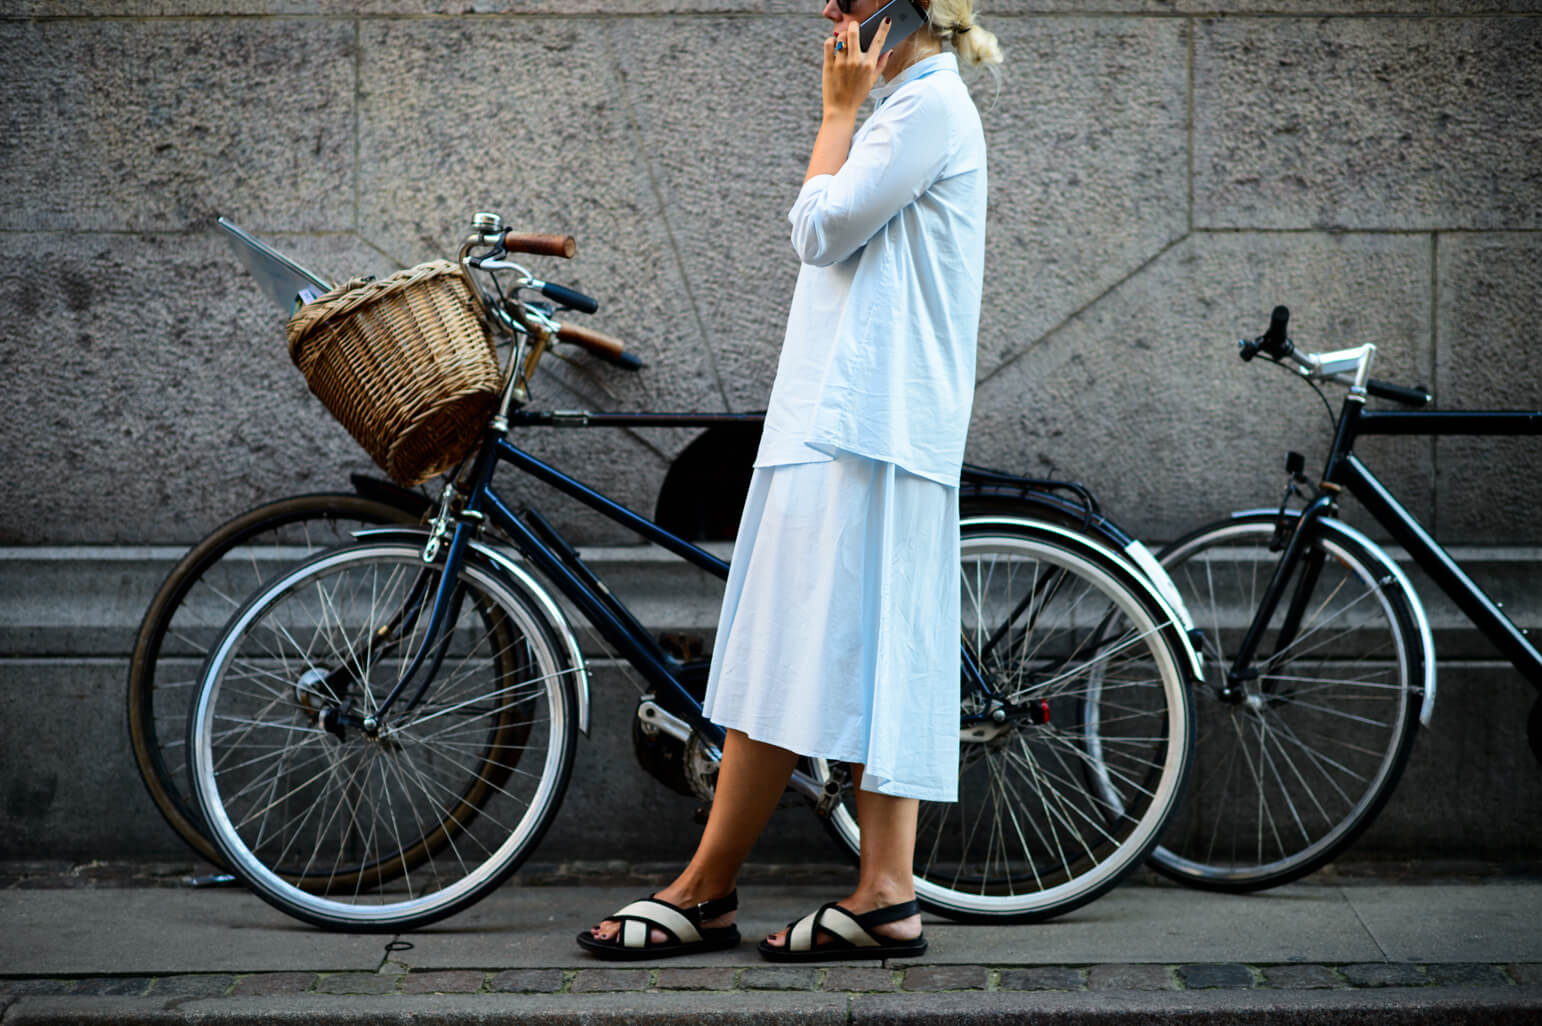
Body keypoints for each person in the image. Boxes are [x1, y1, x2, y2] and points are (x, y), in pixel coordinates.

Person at [577, 0, 1002, 963]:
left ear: (898, 8)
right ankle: (854, 895)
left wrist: (833, 114)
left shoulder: (923, 108)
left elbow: (820, 230)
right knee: (800, 646)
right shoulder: (912, 104)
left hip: (866, 427)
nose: (829, 12)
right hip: (846, 420)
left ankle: (723, 888)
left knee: (803, 645)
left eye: (847, 0)